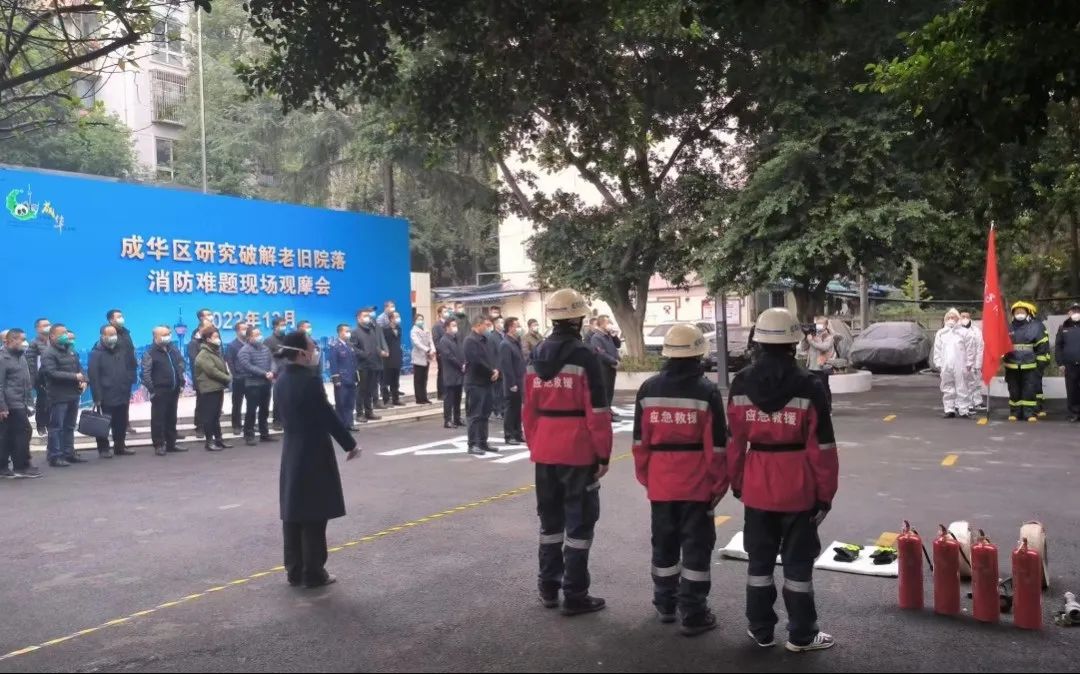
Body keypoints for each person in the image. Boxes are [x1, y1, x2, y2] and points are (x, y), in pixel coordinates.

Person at [727, 307, 838, 653]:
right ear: (793, 342)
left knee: (759, 563)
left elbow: (734, 442)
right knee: (798, 565)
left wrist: (737, 482)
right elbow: (822, 448)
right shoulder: (809, 384)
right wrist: (825, 495)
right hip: (798, 486)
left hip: (757, 483)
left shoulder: (741, 382)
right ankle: (802, 635)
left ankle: (760, 630)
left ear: (757, 341)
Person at [632, 323, 727, 636]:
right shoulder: (706, 391)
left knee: (664, 544)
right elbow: (716, 446)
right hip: (697, 483)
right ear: (699, 353)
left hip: (661, 482)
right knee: (696, 547)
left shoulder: (648, 389)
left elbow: (640, 442)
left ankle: (665, 603)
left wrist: (647, 478)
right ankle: (694, 613)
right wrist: (718, 484)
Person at [525, 288, 612, 616]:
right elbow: (598, 411)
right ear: (577, 319)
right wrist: (603, 454)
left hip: (545, 448)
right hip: (577, 450)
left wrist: (536, 444)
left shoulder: (535, 354)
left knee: (550, 522)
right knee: (579, 524)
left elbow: (527, 410)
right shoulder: (585, 356)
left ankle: (548, 588)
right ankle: (575, 594)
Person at [275, 330, 361, 589]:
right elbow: (326, 415)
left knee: (293, 512)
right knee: (314, 512)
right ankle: (313, 572)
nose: (315, 352)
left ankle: (294, 570)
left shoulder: (281, 379)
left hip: (291, 449)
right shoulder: (309, 380)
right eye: (312, 348)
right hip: (312, 450)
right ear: (302, 353)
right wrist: (350, 444)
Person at [42, 324, 86, 467]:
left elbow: (80, 369)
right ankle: (55, 456)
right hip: (58, 396)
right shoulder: (48, 353)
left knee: (69, 426)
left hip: (73, 394)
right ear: (52, 336)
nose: (65, 335)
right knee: (56, 427)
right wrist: (75, 377)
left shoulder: (70, 351)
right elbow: (52, 373)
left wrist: (84, 380)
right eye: (62, 333)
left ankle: (69, 453)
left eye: (66, 332)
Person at [88, 324, 134, 458]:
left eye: (115, 334)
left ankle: (120, 446)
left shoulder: (121, 350)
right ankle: (103, 448)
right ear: (103, 336)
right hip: (106, 395)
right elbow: (93, 376)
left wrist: (128, 384)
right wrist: (97, 397)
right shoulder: (96, 353)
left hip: (122, 392)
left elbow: (128, 368)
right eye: (110, 334)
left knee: (121, 422)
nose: (114, 337)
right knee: (103, 423)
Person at [0, 329, 41, 478]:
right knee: (23, 432)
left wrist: (29, 403)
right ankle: (20, 466)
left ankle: (6, 467)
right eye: (22, 339)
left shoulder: (21, 357)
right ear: (11, 340)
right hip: (10, 404)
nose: (25, 342)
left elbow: (26, 382)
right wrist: (2, 407)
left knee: (9, 435)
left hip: (21, 402)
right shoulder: (2, 358)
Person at [142, 326, 186, 456]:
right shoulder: (150, 353)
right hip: (159, 391)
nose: (168, 337)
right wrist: (152, 389)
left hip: (174, 389)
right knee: (158, 419)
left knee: (171, 418)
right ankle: (159, 444)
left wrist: (181, 381)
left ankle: (171, 443)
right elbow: (145, 373)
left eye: (168, 334)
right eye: (164, 335)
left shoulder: (172, 349)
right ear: (155, 337)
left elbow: (180, 364)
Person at [1004, 301, 1047, 422]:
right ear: (1013, 314)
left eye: (1022, 312)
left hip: (1029, 364)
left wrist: (1040, 363)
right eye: (1017, 312)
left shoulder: (1035, 327)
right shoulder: (1008, 328)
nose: (1019, 314)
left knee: (1029, 390)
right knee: (1014, 390)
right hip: (1012, 364)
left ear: (1027, 313)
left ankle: (1029, 413)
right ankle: (1015, 412)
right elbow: (1002, 345)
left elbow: (1042, 346)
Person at [194, 326, 233, 451]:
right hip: (209, 389)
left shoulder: (214, 351)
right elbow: (212, 371)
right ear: (208, 339)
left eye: (218, 336)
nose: (218, 339)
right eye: (215, 337)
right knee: (209, 417)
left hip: (217, 388)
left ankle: (219, 440)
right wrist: (228, 378)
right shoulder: (204, 354)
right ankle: (209, 442)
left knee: (216, 416)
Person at [464, 316, 499, 455]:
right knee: (475, 414)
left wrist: (495, 370)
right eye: (486, 325)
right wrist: (491, 371)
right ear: (478, 325)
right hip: (475, 383)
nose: (487, 327)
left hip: (487, 382)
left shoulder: (485, 339)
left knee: (485, 413)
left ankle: (483, 442)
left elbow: (490, 358)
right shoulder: (470, 341)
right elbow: (476, 361)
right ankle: (472, 444)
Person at [933, 308, 976, 419]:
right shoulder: (941, 333)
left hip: (960, 365)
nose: (951, 319)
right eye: (948, 317)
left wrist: (969, 363)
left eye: (953, 317)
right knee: (947, 387)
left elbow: (970, 349)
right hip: (946, 365)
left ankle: (963, 410)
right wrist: (938, 363)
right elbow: (937, 349)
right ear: (945, 319)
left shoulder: (964, 332)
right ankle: (949, 409)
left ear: (958, 319)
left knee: (962, 387)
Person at [238, 325, 276, 446]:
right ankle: (249, 435)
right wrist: (264, 373)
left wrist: (272, 371)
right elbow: (247, 366)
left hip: (266, 383)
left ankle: (264, 433)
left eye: (260, 334)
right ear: (249, 337)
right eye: (256, 335)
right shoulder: (244, 351)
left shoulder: (265, 348)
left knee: (264, 410)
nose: (260, 336)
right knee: (251, 410)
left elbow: (272, 361)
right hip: (252, 384)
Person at [106, 309, 138, 434]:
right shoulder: (109, 333)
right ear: (111, 320)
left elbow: (129, 351)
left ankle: (126, 424)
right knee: (115, 401)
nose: (121, 319)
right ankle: (113, 424)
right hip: (116, 373)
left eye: (122, 316)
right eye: (118, 316)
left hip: (128, 373)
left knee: (125, 400)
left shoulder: (126, 333)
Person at [351, 308, 386, 422]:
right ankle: (359, 414)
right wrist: (364, 354)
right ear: (358, 318)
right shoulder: (355, 332)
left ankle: (369, 412)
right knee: (361, 390)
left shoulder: (371, 331)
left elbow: (375, 346)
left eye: (368, 316)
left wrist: (380, 352)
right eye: (365, 316)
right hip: (362, 366)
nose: (368, 318)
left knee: (370, 390)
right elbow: (353, 348)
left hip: (373, 364)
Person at [498, 317, 527, 444]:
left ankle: (517, 433)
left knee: (517, 409)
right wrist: (512, 383)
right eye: (517, 326)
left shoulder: (515, 342)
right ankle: (509, 435)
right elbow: (507, 366)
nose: (519, 328)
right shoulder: (505, 344)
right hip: (512, 383)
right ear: (510, 327)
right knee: (510, 409)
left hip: (520, 380)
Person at [187, 308, 214, 439]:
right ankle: (199, 426)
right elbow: (195, 360)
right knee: (201, 402)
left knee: (212, 403)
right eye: (208, 315)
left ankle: (211, 426)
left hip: (214, 375)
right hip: (201, 376)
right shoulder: (195, 340)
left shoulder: (214, 334)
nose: (211, 317)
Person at [328, 324, 359, 431]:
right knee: (341, 403)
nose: (349, 333)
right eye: (347, 331)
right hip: (341, 379)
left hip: (351, 378)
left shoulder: (350, 345)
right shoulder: (335, 346)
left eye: (349, 331)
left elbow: (354, 363)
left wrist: (356, 377)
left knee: (350, 403)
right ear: (340, 332)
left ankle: (349, 424)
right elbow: (333, 363)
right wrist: (336, 379)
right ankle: (341, 426)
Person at [589, 315, 621, 419]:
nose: (609, 324)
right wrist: (613, 361)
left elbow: (618, 345)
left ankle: (608, 411)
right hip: (603, 368)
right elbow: (600, 353)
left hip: (611, 368)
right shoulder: (597, 337)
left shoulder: (608, 335)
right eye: (607, 322)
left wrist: (614, 336)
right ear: (601, 324)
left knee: (610, 391)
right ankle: (606, 415)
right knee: (605, 391)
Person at [25, 318, 52, 439]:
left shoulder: (53, 341)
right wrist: (34, 380)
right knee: (43, 402)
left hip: (54, 378)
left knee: (52, 403)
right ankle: (41, 425)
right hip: (41, 379)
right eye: (45, 325)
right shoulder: (34, 343)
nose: (48, 326)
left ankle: (51, 425)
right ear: (37, 328)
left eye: (49, 324)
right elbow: (31, 364)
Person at [802, 317, 837, 407]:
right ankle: (814, 408)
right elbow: (803, 348)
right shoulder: (812, 335)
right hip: (811, 366)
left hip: (822, 367)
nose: (818, 326)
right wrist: (805, 338)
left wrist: (811, 341)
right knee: (812, 389)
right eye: (817, 324)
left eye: (820, 324)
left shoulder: (828, 337)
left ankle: (828, 408)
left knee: (824, 388)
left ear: (826, 325)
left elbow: (823, 347)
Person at [437, 319, 465, 429]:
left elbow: (461, 352)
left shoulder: (456, 338)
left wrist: (464, 363)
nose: (455, 327)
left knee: (458, 398)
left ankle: (457, 418)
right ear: (447, 327)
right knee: (449, 399)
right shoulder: (444, 340)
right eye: (453, 325)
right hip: (450, 373)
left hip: (459, 373)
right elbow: (449, 356)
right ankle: (447, 420)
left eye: (455, 325)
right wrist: (460, 365)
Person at [1056, 303, 1080, 422]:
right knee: (1072, 390)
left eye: (1078, 311)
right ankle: (1074, 413)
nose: (1076, 313)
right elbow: (1058, 347)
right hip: (1070, 365)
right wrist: (1060, 363)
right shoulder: (1063, 328)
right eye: (1073, 311)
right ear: (1069, 313)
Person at [265, 317, 289, 431]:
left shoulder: (288, 339)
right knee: (278, 398)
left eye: (285, 324)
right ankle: (277, 421)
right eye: (282, 325)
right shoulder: (269, 341)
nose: (284, 327)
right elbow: (266, 357)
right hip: (277, 373)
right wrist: (277, 353)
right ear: (275, 326)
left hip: (289, 371)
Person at [959, 311, 985, 412]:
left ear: (970, 318)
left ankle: (977, 402)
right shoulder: (957, 330)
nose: (965, 318)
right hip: (961, 361)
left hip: (974, 362)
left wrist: (978, 363)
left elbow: (980, 347)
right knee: (964, 384)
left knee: (976, 383)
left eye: (967, 316)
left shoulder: (976, 331)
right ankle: (967, 404)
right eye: (963, 316)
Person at [226, 322, 248, 435]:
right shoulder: (232, 345)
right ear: (237, 331)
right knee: (237, 403)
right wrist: (235, 375)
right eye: (243, 329)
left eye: (247, 328)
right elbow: (230, 362)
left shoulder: (250, 343)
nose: (246, 331)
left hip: (251, 378)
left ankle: (249, 424)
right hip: (239, 378)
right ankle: (236, 425)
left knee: (252, 403)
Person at [381, 312, 405, 407]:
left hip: (397, 357)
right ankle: (386, 400)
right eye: (396, 317)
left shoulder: (399, 328)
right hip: (387, 358)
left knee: (395, 380)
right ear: (391, 319)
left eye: (399, 316)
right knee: (385, 381)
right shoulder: (385, 329)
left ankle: (396, 399)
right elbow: (382, 343)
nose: (398, 318)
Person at [411, 314, 436, 405]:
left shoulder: (426, 329)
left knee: (424, 379)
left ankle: (424, 397)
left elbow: (431, 341)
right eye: (418, 319)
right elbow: (417, 343)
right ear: (415, 321)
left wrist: (432, 350)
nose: (420, 321)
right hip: (418, 357)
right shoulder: (413, 331)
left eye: (422, 319)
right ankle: (419, 398)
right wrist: (427, 350)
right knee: (418, 379)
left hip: (426, 357)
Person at [488, 316, 507, 419]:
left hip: (505, 367)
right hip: (497, 368)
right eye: (500, 322)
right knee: (497, 392)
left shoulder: (504, 335)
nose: (502, 324)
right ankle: (497, 411)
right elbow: (492, 355)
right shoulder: (492, 337)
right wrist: (495, 369)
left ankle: (503, 410)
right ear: (495, 324)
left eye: (503, 322)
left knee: (503, 391)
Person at [432, 307, 449, 401]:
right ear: (439, 314)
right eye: (445, 311)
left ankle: (448, 391)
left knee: (448, 373)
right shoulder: (437, 326)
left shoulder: (449, 324)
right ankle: (441, 393)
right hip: (442, 354)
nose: (447, 313)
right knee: (442, 373)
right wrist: (442, 351)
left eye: (447, 311)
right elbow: (436, 341)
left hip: (450, 354)